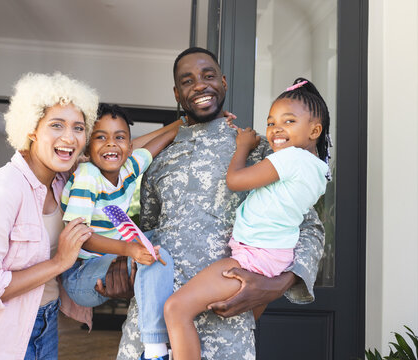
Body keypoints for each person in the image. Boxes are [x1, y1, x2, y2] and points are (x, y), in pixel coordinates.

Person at [115, 47, 325, 360]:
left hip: (226, 325)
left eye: (208, 76)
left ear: (223, 83)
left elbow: (309, 226)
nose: (199, 85)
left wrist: (278, 284)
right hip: (151, 321)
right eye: (187, 81)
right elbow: (146, 231)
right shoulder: (158, 157)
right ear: (177, 93)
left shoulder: (261, 149)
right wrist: (122, 262)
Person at [164, 78, 331, 360]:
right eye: (271, 122)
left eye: (288, 121)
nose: (276, 129)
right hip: (272, 256)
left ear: (315, 130)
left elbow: (235, 180)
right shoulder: (318, 170)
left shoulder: (289, 158)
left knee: (176, 309)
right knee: (242, 328)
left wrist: (243, 145)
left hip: (253, 258)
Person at [0, 72, 99, 360]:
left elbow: (119, 153)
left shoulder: (64, 183)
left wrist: (182, 124)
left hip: (46, 324)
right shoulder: (3, 189)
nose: (69, 137)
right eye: (56, 125)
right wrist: (59, 262)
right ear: (32, 130)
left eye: (78, 127)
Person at [60, 103, 181, 360]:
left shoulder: (128, 168)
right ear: (87, 145)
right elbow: (79, 236)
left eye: (119, 137)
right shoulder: (88, 175)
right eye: (100, 137)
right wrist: (130, 250)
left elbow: (157, 143)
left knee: (165, 241)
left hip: (110, 262)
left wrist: (185, 123)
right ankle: (155, 351)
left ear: (129, 145)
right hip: (81, 277)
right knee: (153, 257)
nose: (111, 144)